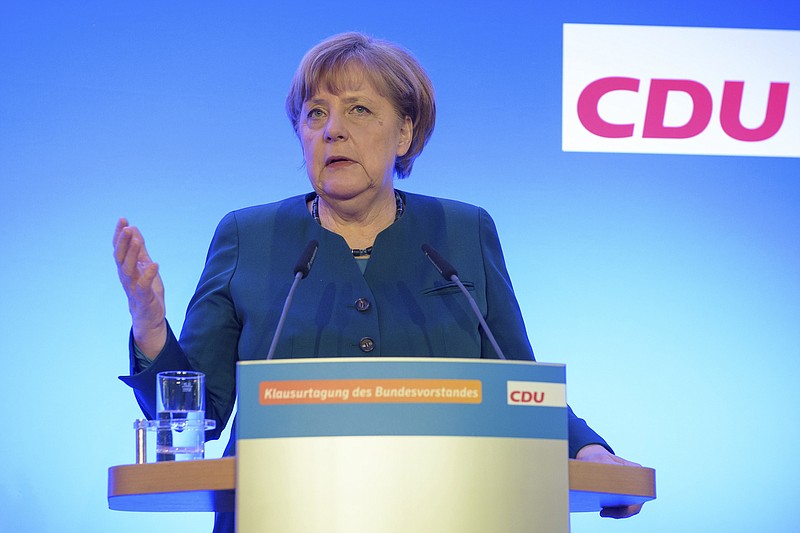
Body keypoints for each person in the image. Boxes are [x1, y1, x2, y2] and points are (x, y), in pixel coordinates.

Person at [113, 32, 643, 531]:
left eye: (358, 110)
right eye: (315, 113)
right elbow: (198, 414)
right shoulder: (247, 236)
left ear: (406, 132)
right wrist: (150, 327)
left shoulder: (462, 233)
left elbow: (517, 381)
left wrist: (585, 451)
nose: (331, 129)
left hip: (445, 511)